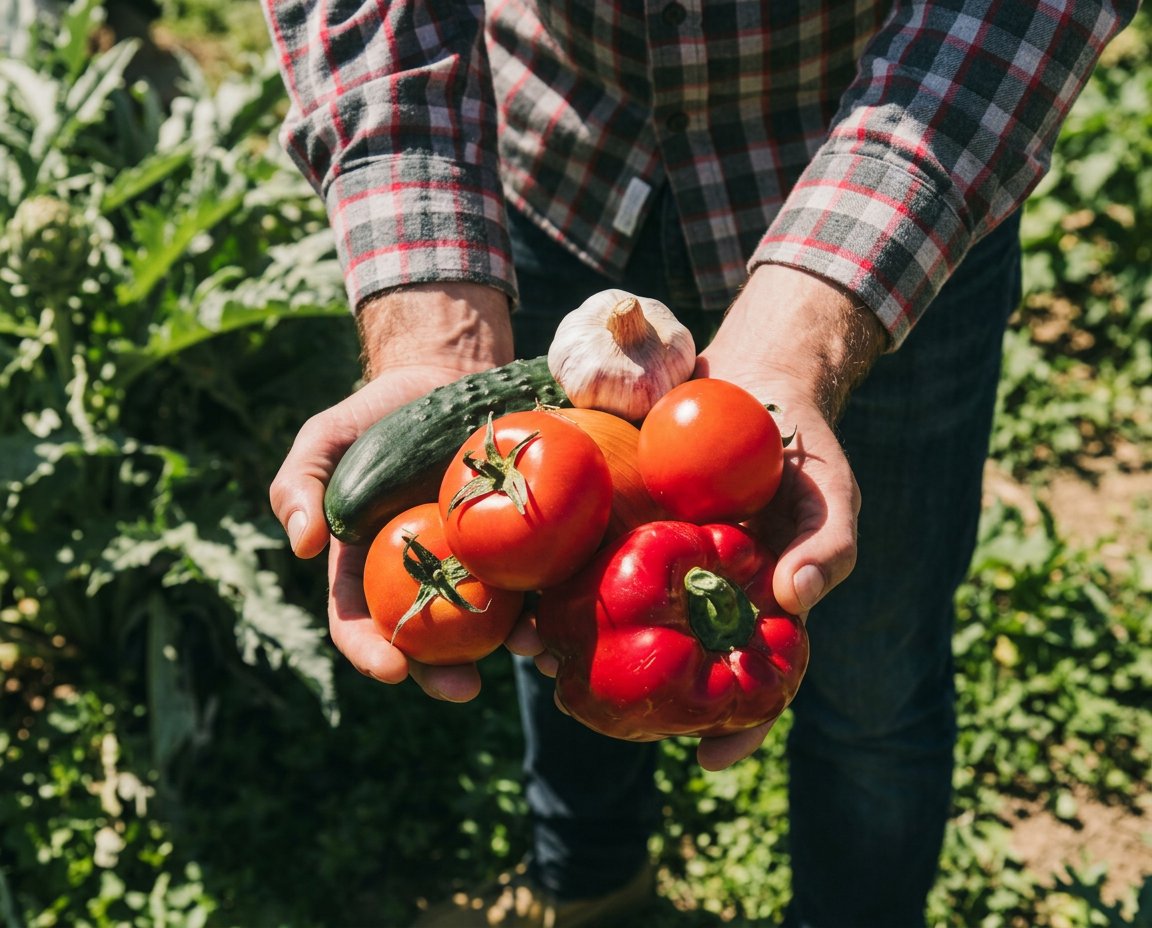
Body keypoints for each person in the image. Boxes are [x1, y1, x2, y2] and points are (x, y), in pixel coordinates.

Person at [260, 2, 1136, 925]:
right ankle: (589, 885)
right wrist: (434, 333)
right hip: (562, 156)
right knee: (552, 615)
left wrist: (796, 346)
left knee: (878, 673)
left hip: (889, 198)